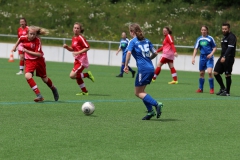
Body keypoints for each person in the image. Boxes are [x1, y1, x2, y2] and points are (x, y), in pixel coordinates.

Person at [124, 23, 163, 120]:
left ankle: (156, 104)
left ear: (132, 32)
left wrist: (126, 65)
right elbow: (155, 52)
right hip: (150, 68)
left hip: (143, 69)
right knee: (142, 91)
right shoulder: (147, 40)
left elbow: (128, 53)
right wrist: (148, 58)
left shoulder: (132, 41)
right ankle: (150, 112)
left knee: (138, 93)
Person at [11, 26, 59, 102]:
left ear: (36, 34)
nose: (32, 36)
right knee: (27, 76)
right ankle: (39, 95)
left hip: (39, 60)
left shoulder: (37, 40)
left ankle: (53, 88)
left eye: (34, 34)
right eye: (31, 34)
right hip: (29, 61)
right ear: (27, 33)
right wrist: (14, 47)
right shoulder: (24, 37)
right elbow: (19, 39)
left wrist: (26, 51)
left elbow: (39, 54)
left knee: (45, 79)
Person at [63, 22, 94, 96]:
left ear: (80, 30)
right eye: (75, 28)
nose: (76, 29)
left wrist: (78, 52)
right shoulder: (73, 38)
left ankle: (87, 75)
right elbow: (72, 49)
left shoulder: (81, 38)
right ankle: (85, 91)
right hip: (77, 60)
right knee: (77, 76)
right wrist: (67, 47)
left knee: (72, 75)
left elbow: (87, 47)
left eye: (78, 28)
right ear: (73, 29)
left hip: (82, 60)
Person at [192, 25, 217, 94]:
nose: (203, 31)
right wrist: (193, 58)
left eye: (205, 30)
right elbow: (196, 49)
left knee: (209, 72)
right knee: (201, 73)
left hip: (209, 57)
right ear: (201, 31)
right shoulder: (199, 39)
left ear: (207, 31)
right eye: (202, 30)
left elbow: (214, 48)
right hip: (202, 57)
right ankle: (200, 88)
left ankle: (211, 88)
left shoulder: (210, 38)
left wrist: (211, 54)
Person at [214, 23, 237, 96]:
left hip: (228, 58)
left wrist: (224, 56)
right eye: (223, 29)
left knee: (227, 74)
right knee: (215, 72)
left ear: (229, 29)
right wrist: (222, 56)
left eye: (225, 29)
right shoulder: (224, 37)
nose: (224, 30)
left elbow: (230, 48)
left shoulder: (232, 37)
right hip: (222, 57)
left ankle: (227, 92)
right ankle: (223, 88)